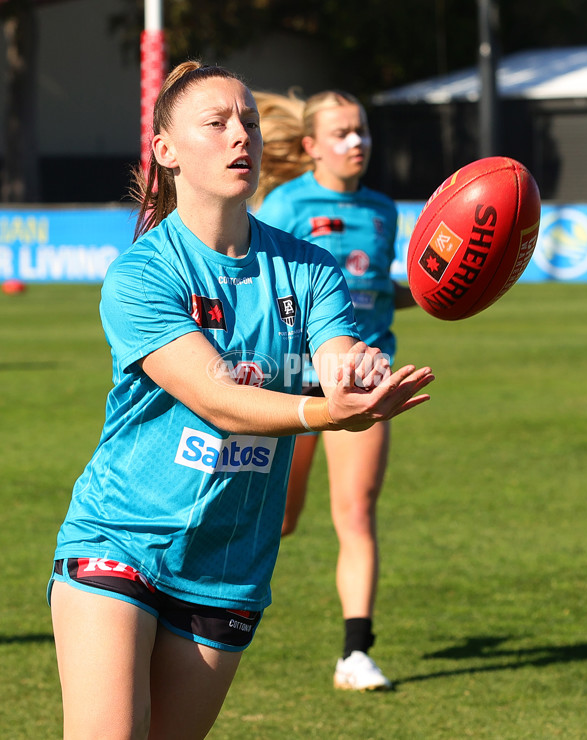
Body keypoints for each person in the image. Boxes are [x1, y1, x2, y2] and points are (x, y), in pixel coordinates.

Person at [48, 61, 434, 739]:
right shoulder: (143, 273)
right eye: (217, 123)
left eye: (250, 122)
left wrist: (357, 374)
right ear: (166, 151)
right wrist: (323, 412)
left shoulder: (310, 267)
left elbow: (336, 350)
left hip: (228, 567)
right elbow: (218, 398)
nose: (241, 137)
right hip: (121, 539)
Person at [254, 88, 416, 691]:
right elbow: (261, 283)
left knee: (356, 512)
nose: (357, 142)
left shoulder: (383, 209)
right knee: (281, 519)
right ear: (310, 146)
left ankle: (355, 652)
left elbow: (376, 288)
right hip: (292, 384)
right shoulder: (283, 204)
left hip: (366, 386)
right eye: (344, 133)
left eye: (363, 131)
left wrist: (439, 289)